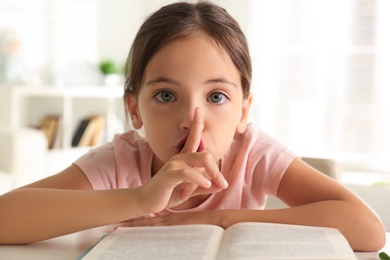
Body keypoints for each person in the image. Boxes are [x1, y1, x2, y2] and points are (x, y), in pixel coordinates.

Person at [0, 1, 385, 251]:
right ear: (134, 111)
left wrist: (220, 218)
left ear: (243, 112)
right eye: (167, 96)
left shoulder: (255, 154)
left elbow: (368, 230)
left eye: (216, 97)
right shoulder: (120, 160)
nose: (192, 119)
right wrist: (140, 199)